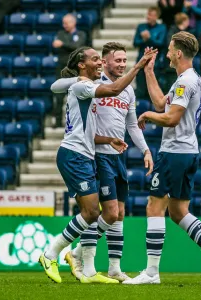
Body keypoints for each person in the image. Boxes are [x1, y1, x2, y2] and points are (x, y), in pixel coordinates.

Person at [39, 46, 157, 284]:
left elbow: (58, 87)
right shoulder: (85, 87)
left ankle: (89, 270)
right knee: (95, 212)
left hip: (87, 154)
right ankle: (53, 254)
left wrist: (115, 140)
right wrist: (138, 66)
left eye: (126, 60)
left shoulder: (85, 85)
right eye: (95, 60)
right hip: (76, 155)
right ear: (83, 64)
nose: (100, 64)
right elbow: (113, 88)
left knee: (97, 213)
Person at [123, 31, 201, 285]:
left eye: (170, 49)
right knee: (179, 211)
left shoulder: (185, 82)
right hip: (187, 151)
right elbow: (162, 103)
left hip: (174, 151)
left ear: (179, 53)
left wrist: (147, 115)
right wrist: (148, 71)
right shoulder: (188, 79)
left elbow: (170, 118)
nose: (168, 53)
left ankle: (151, 273)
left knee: (154, 206)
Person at [52, 14, 87, 127]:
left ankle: (76, 122)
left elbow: (77, 46)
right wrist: (68, 46)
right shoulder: (60, 33)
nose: (64, 25)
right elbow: (58, 46)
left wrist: (63, 44)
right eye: (63, 23)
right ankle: (57, 122)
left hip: (75, 70)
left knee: (76, 96)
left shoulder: (81, 34)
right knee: (58, 96)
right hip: (61, 69)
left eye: (66, 23)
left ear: (73, 22)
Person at [133, 6, 167, 99]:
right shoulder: (141, 26)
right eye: (149, 14)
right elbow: (135, 43)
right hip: (141, 61)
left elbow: (161, 43)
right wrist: (144, 39)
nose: (149, 17)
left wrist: (149, 38)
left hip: (154, 63)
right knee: (140, 90)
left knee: (152, 91)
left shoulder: (162, 27)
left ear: (157, 16)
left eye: (152, 15)